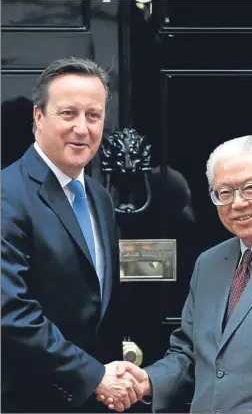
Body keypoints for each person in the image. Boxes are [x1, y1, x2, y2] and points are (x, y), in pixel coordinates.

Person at [101, 135, 252, 413]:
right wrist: (148, 381)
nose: (237, 203)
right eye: (224, 193)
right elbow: (190, 353)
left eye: (250, 188)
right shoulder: (209, 263)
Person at [1, 56, 143, 413]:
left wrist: (108, 378)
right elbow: (9, 311)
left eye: (93, 115)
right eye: (68, 114)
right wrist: (92, 375)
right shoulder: (8, 194)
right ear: (38, 117)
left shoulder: (98, 197)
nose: (83, 128)